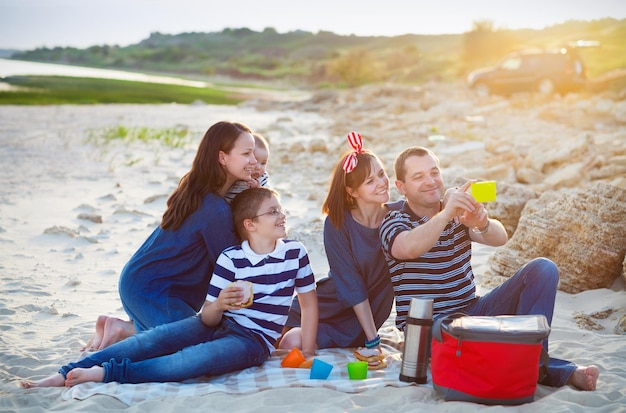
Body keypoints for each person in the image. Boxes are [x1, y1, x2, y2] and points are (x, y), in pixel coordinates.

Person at [21, 187, 318, 388]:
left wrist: (308, 351)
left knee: (189, 361)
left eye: (281, 209)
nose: (282, 216)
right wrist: (220, 304)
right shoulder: (231, 258)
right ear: (250, 224)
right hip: (217, 324)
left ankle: (105, 374)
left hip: (252, 342)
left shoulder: (295, 254)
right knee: (151, 340)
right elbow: (208, 318)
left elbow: (308, 305)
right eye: (273, 211)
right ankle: (63, 373)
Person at [379, 146, 599, 391]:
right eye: (418, 177)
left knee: (543, 269)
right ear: (401, 186)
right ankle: (554, 370)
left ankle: (536, 365)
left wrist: (481, 223)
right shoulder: (394, 219)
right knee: (483, 344)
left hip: (474, 311)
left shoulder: (456, 210)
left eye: (434, 172)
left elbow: (500, 237)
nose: (430, 181)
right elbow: (407, 249)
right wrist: (445, 214)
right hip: (429, 327)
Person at [83, 121, 257, 352]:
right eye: (247, 153)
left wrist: (254, 191)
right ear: (222, 158)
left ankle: (122, 327)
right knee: (197, 348)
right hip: (151, 289)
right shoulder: (213, 207)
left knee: (201, 339)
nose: (254, 161)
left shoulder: (205, 193)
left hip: (146, 283)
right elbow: (234, 267)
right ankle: (126, 330)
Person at [279, 132, 398, 351]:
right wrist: (373, 340)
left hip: (365, 317)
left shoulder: (398, 215)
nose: (382, 183)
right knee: (281, 339)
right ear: (352, 191)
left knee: (293, 343)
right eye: (370, 181)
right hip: (328, 304)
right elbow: (351, 284)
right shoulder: (337, 223)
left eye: (382, 174)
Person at [224, 133, 271, 203]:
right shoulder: (236, 176)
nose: (258, 167)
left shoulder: (261, 179)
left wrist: (257, 189)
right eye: (256, 160)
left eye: (263, 163)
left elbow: (270, 196)